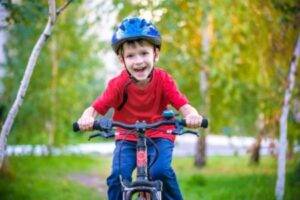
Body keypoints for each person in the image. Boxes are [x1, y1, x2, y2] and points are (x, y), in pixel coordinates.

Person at [77, 16, 204, 200]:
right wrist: (86, 118)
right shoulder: (118, 84)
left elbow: (183, 105)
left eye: (144, 53)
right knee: (118, 176)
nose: (138, 61)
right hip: (127, 137)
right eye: (131, 55)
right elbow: (96, 108)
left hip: (160, 134)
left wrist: (193, 115)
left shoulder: (164, 80)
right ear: (122, 60)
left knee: (160, 171)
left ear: (156, 54)